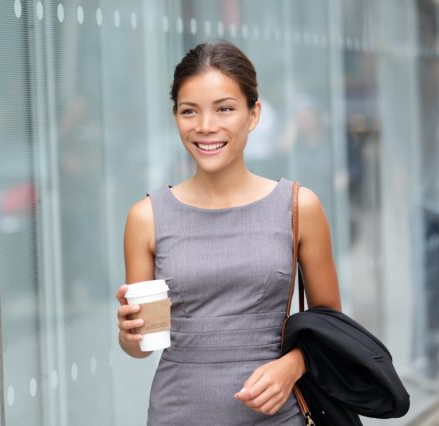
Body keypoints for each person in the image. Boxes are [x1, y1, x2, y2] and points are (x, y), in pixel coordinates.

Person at [115, 41, 341, 425]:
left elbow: (332, 326)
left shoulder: (299, 207)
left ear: (253, 115)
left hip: (277, 415)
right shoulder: (147, 217)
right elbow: (142, 347)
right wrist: (129, 333)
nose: (206, 126)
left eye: (225, 109)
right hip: (178, 412)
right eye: (190, 111)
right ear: (175, 117)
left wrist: (292, 366)